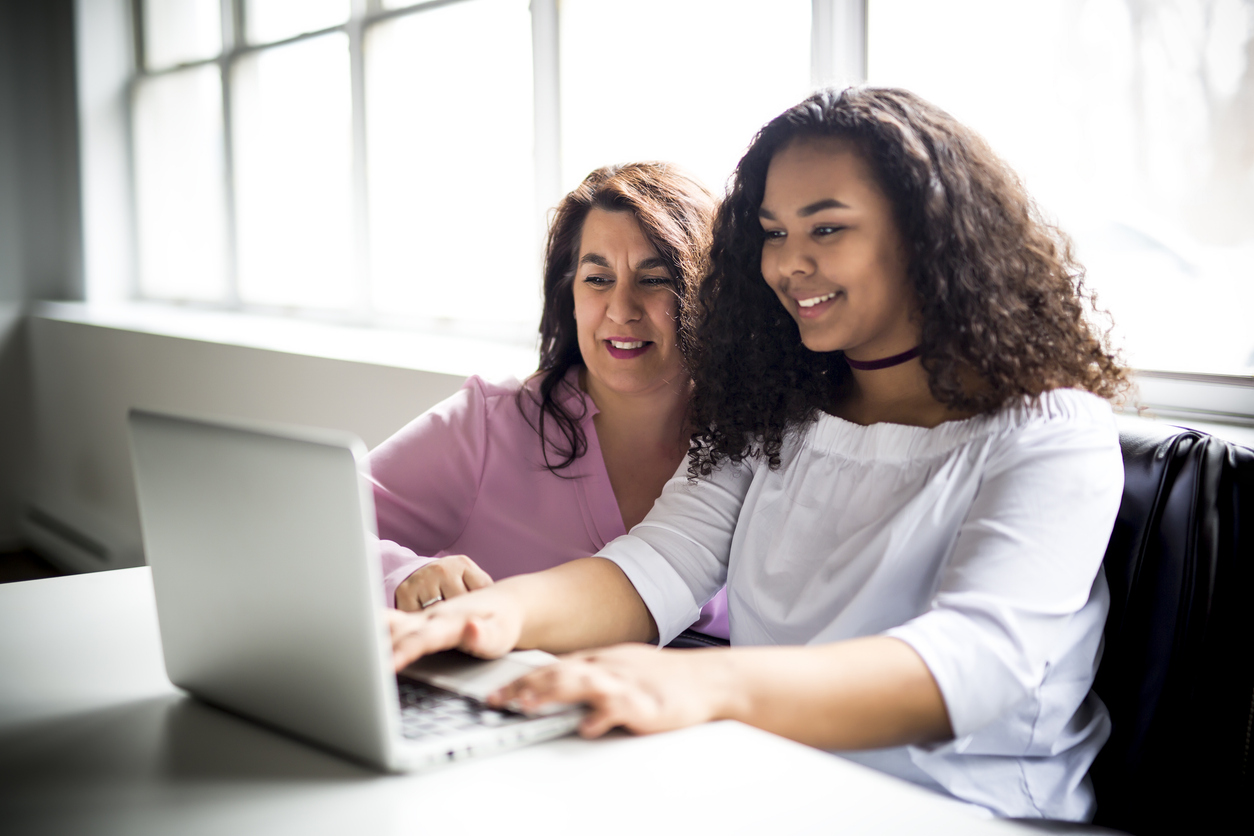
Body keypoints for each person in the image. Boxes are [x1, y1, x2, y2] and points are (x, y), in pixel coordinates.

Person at [385, 87, 1129, 821]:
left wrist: (711, 687)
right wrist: (488, 617)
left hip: (970, 809)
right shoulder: (774, 409)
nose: (788, 265)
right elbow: (657, 565)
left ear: (927, 234)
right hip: (771, 783)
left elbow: (973, 663)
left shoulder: (1053, 432)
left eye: (826, 229)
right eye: (773, 233)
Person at [369, 162, 727, 641]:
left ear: (710, 292)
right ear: (569, 294)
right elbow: (309, 525)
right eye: (598, 279)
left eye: (654, 279)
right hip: (512, 705)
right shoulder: (489, 424)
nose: (621, 309)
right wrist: (401, 574)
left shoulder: (756, 450)